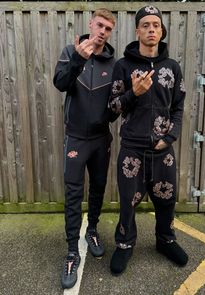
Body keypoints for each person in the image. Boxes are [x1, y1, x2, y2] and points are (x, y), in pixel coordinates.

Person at [109, 5, 188, 275]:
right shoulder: (123, 66)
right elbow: (113, 108)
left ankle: (165, 241)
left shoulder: (173, 67)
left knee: (166, 200)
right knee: (128, 201)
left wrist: (172, 136)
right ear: (137, 30)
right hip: (132, 149)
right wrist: (134, 92)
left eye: (156, 24)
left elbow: (179, 107)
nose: (151, 29)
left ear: (161, 30)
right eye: (146, 25)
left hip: (162, 149)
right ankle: (124, 244)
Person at [53, 8, 116, 289]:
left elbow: (114, 108)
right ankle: (70, 252)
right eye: (99, 25)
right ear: (90, 23)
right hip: (76, 139)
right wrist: (79, 58)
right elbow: (60, 83)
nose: (102, 31)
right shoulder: (71, 51)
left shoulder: (115, 63)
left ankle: (91, 231)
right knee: (73, 193)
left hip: (101, 140)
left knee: (99, 187)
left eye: (108, 28)